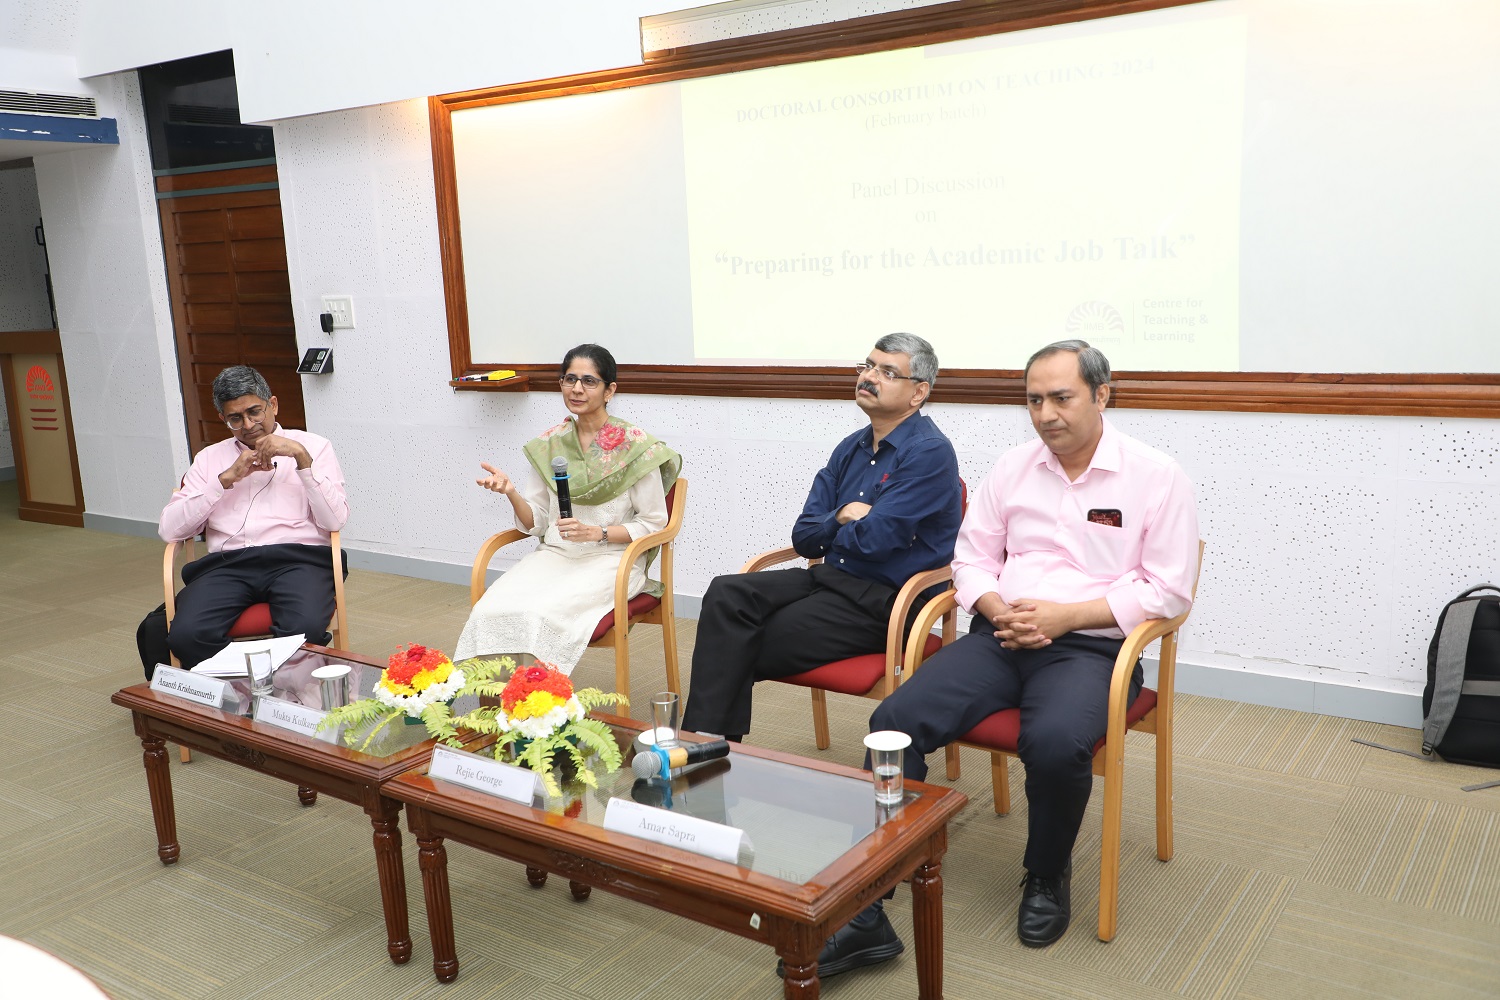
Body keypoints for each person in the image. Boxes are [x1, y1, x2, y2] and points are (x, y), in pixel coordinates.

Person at [811, 339, 1199, 978]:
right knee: (891, 727)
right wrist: (994, 609)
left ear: (1102, 396)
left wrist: (1066, 616)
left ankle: (1045, 875)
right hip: (999, 635)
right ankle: (869, 902)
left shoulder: (1155, 476)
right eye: (1034, 400)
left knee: (1052, 742)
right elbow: (970, 558)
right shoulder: (1013, 468)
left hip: (1091, 648)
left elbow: (1168, 589)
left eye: (1061, 398)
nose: (1046, 414)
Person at [681, 332, 963, 744]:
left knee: (739, 642)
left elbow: (877, 541)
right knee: (727, 594)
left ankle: (706, 750)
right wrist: (845, 514)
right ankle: (706, 744)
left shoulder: (929, 452)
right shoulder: (850, 447)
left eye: (887, 371)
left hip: (886, 602)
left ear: (918, 392)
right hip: (831, 581)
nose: (869, 377)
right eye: (866, 366)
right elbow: (805, 537)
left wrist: (835, 531)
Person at [454, 344, 681, 671]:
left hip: (612, 561)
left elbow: (655, 524)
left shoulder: (636, 448)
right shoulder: (550, 445)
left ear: (609, 390)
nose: (577, 389)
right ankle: (507, 707)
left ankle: (544, 704)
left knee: (541, 612)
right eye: (569, 379)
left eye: (589, 381)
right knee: (493, 608)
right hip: (556, 555)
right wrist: (511, 492)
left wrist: (597, 533)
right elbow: (537, 521)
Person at [135, 365, 349, 677]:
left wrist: (302, 461)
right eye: (236, 418)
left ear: (272, 405)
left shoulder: (313, 446)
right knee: (186, 634)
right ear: (223, 419)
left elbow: (335, 519)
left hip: (298, 560)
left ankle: (286, 701)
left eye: (255, 412)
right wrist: (223, 480)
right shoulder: (210, 459)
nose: (248, 425)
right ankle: (238, 696)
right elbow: (169, 529)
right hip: (228, 565)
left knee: (302, 629)